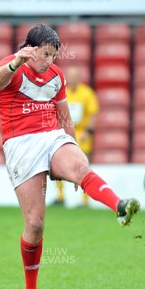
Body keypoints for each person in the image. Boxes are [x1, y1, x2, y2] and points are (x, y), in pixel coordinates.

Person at [0, 24, 140, 289]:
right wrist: (17, 60)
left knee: (81, 168)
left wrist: (75, 148)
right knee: (35, 225)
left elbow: (65, 117)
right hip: (20, 144)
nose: (50, 61)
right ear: (30, 49)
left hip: (52, 136)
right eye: (45, 54)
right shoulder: (12, 66)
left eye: (54, 55)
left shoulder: (56, 75)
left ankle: (119, 205)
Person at [54, 65, 99, 206]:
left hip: (81, 133)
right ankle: (60, 197)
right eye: (70, 76)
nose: (72, 79)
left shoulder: (87, 93)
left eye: (74, 76)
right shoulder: (62, 92)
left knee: (83, 165)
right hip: (64, 132)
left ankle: (85, 200)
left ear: (79, 78)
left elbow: (93, 113)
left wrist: (88, 131)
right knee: (59, 164)